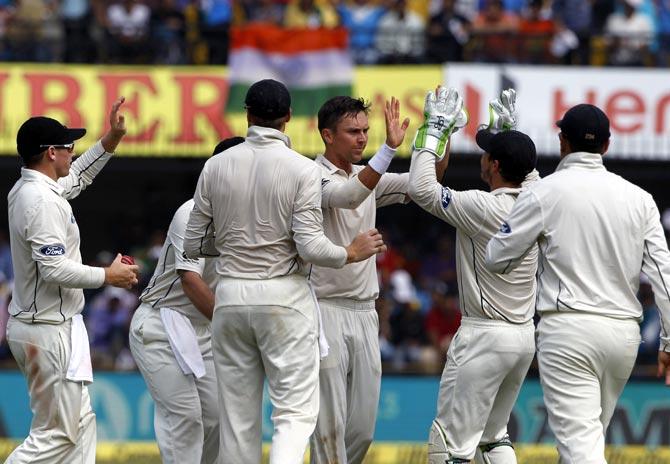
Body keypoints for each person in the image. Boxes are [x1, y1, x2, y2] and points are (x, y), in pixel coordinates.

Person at [183, 79, 385, 464]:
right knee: (293, 415)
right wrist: (348, 252)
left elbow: (194, 244)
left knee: (238, 421)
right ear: (289, 118)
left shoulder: (216, 165)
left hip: (230, 296)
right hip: (284, 298)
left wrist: (233, 244)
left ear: (247, 115)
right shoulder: (301, 169)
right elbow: (310, 247)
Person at [485, 103, 670, 463]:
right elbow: (665, 277)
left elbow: (497, 258)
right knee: (585, 442)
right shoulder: (640, 199)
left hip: (567, 330)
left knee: (580, 447)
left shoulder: (543, 192)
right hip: (622, 336)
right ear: (607, 145)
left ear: (562, 141)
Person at [408, 87, 539, 463]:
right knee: (494, 438)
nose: (483, 157)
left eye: (488, 153)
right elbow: (529, 174)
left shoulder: (482, 206)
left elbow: (421, 188)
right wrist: (512, 135)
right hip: (522, 336)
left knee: (448, 445)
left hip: (485, 335)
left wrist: (432, 130)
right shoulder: (540, 199)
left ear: (495, 166)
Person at [5, 98, 139, 464]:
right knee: (57, 434)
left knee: (80, 424)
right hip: (44, 330)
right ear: (51, 153)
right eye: (68, 147)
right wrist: (107, 276)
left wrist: (110, 139)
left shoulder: (39, 188)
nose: (72, 151)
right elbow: (54, 270)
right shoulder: (39, 200)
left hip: (54, 326)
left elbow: (78, 176)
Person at [309, 94, 413, 464]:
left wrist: (439, 137)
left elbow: (423, 183)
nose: (361, 138)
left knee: (362, 430)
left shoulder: (367, 177)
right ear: (327, 135)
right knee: (329, 428)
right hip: (325, 310)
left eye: (366, 131)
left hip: (365, 313)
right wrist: (387, 149)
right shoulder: (311, 177)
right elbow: (348, 197)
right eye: (352, 132)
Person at [128, 136, 244, 464]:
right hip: (161, 327)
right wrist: (234, 330)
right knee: (186, 420)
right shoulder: (192, 212)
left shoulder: (250, 217)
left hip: (204, 331)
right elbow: (190, 281)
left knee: (218, 419)